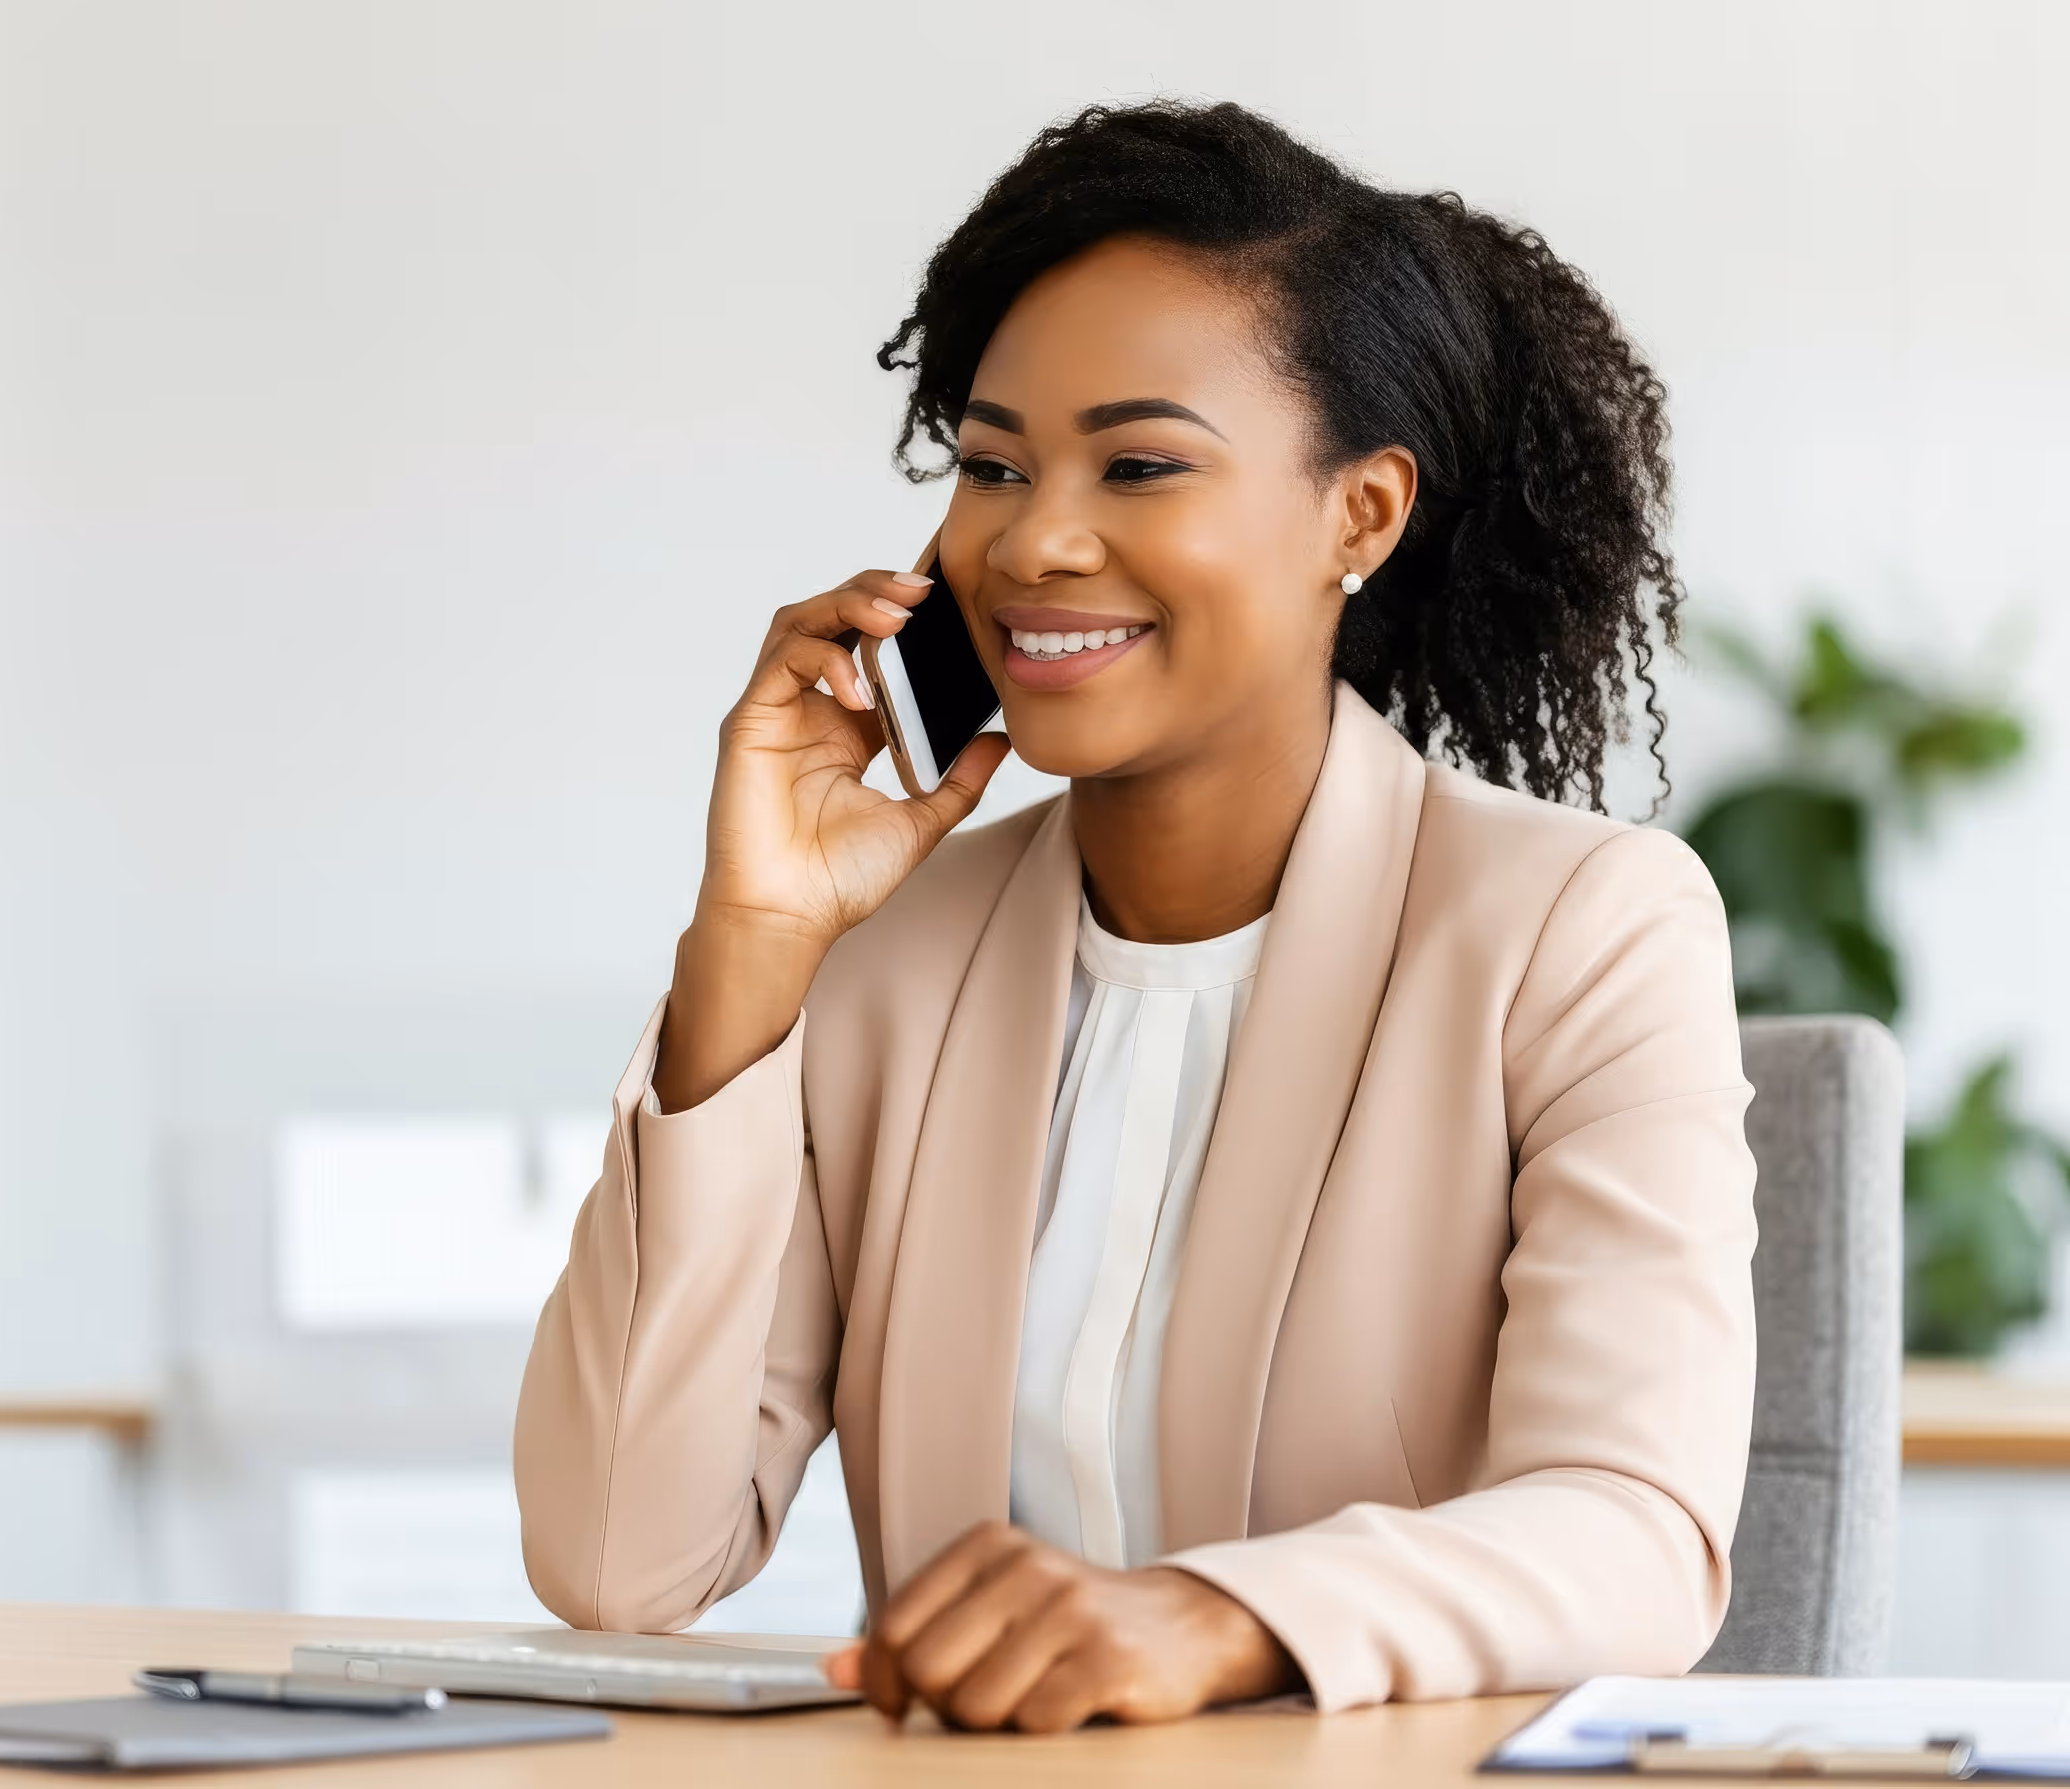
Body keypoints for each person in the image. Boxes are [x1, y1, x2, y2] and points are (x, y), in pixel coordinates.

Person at [514, 100, 1755, 1732]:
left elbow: (1636, 1534)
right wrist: (750, 946)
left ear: (1361, 515)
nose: (1034, 540)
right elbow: (620, 1565)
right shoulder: (890, 964)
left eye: (1141, 464)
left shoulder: (1578, 931)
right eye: (991, 466)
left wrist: (1213, 1620)